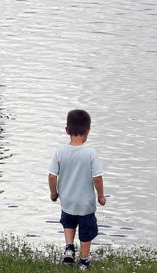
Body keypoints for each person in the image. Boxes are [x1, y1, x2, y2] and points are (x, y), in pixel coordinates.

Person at [48, 109, 106, 269]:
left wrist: (54, 193)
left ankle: (69, 248)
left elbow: (52, 175)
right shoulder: (90, 153)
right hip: (85, 203)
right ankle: (84, 260)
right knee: (86, 231)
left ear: (67, 130)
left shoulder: (60, 151)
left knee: (69, 223)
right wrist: (101, 196)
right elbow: (97, 178)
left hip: (67, 200)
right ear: (88, 131)